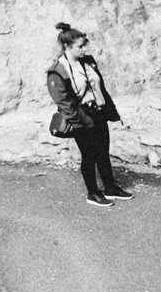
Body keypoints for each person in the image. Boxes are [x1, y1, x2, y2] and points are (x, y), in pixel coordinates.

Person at [46, 24, 133, 206]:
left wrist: (112, 113)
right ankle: (93, 193)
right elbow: (63, 102)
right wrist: (81, 123)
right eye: (80, 46)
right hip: (82, 118)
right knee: (89, 155)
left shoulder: (89, 61)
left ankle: (110, 188)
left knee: (103, 153)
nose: (84, 49)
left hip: (98, 113)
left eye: (85, 45)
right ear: (67, 47)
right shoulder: (58, 70)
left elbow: (101, 89)